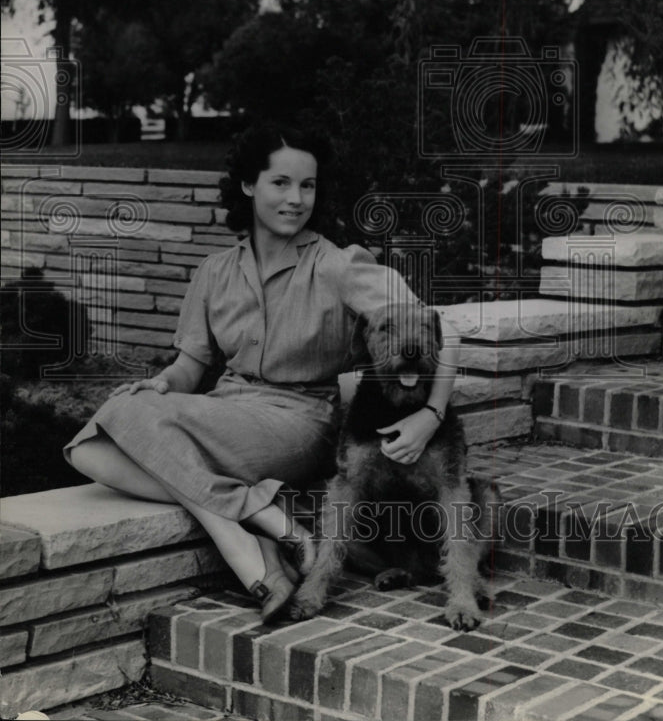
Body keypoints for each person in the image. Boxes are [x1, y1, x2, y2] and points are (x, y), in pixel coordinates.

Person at [65, 122, 459, 621]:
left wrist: (430, 413)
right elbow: (191, 367)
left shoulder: (338, 266)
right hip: (225, 410)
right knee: (87, 450)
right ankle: (257, 520)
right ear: (249, 185)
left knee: (125, 415)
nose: (296, 198)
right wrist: (165, 384)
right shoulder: (214, 271)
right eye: (281, 183)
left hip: (300, 421)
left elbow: (440, 327)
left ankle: (248, 543)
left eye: (307, 185)